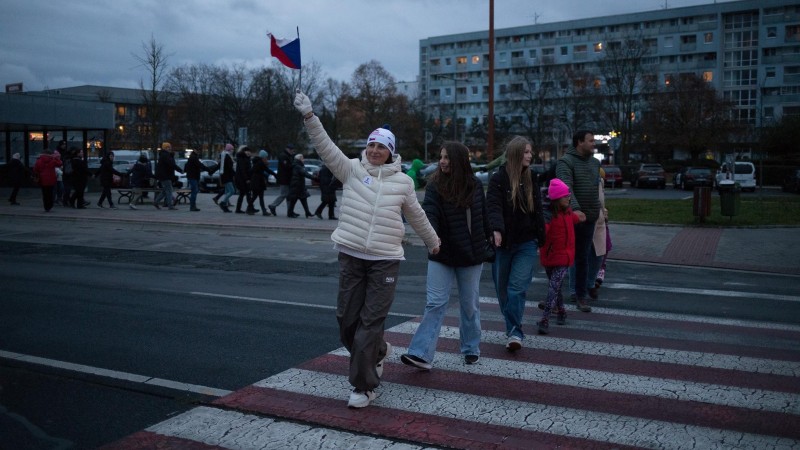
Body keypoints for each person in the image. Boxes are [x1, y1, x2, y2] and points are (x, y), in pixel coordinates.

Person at [294, 90, 440, 409]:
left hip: (385, 262)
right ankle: (380, 351)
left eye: (381, 146)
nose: (375, 150)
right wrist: (309, 116)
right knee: (347, 323)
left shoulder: (402, 182)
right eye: (371, 145)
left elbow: (417, 215)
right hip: (351, 257)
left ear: (390, 152)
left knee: (369, 326)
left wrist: (433, 240)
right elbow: (325, 146)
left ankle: (364, 386)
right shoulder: (351, 170)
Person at [401, 142, 491, 370]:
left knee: (469, 304)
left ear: (459, 161)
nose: (442, 162)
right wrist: (432, 239)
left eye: (447, 158)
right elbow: (429, 212)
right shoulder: (435, 185)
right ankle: (421, 354)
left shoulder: (474, 186)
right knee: (435, 303)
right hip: (441, 252)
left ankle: (471, 348)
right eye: (441, 157)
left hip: (470, 255)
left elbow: (483, 218)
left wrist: (493, 236)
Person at [486, 135, 546, 351]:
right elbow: (492, 207)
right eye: (527, 152)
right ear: (516, 154)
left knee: (516, 289)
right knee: (503, 292)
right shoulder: (498, 179)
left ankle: (515, 332)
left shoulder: (532, 178)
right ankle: (512, 326)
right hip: (503, 244)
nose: (530, 156)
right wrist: (497, 230)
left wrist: (542, 236)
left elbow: (538, 210)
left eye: (531, 152)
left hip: (527, 243)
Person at [556, 130, 601, 313]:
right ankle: (554, 297)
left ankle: (580, 295)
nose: (593, 144)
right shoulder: (565, 162)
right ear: (579, 142)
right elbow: (566, 188)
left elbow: (596, 189)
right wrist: (575, 209)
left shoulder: (595, 163)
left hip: (589, 217)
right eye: (590, 141)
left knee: (582, 258)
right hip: (569, 219)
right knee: (562, 258)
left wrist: (600, 208)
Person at [537, 179, 584, 335]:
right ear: (557, 198)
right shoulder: (549, 216)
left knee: (553, 287)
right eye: (566, 196)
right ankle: (562, 311)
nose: (569, 198)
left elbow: (576, 219)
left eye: (569, 195)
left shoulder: (568, 211)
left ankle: (545, 319)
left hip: (564, 257)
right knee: (555, 287)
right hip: (550, 256)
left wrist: (584, 216)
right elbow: (542, 231)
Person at [267, 144, 296, 216]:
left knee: (288, 195)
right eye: (291, 149)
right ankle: (273, 205)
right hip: (284, 178)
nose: (292, 151)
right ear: (287, 149)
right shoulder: (283, 156)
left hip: (287, 178)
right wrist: (294, 165)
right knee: (284, 194)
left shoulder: (287, 156)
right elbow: (286, 166)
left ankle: (290, 210)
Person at [154, 142, 182, 210]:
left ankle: (156, 202)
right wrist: (180, 170)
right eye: (167, 147)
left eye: (169, 147)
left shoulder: (165, 155)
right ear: (164, 148)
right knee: (169, 190)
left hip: (164, 175)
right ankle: (170, 206)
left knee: (165, 190)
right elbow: (171, 164)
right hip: (165, 175)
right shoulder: (165, 155)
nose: (169, 148)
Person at [287, 153, 314, 218]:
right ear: (299, 159)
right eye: (302, 158)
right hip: (297, 186)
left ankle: (307, 212)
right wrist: (313, 177)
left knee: (303, 199)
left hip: (298, 185)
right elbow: (304, 173)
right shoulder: (298, 166)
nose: (303, 160)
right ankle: (290, 213)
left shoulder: (297, 165)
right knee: (294, 200)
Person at [251, 150, 278, 216]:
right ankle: (251, 208)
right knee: (256, 196)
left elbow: (262, 171)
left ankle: (263, 211)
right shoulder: (260, 162)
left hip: (257, 181)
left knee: (259, 197)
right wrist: (275, 174)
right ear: (263, 157)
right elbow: (267, 170)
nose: (266, 158)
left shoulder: (257, 162)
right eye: (266, 156)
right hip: (258, 182)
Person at [234, 146, 255, 214]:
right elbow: (243, 170)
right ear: (244, 152)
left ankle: (239, 209)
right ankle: (250, 209)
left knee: (243, 194)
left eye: (249, 151)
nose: (249, 153)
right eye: (247, 151)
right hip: (242, 179)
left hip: (243, 179)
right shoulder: (242, 158)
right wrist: (247, 179)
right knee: (247, 194)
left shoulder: (246, 158)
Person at [214, 144, 235, 212]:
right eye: (232, 149)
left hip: (225, 176)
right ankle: (223, 203)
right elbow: (229, 167)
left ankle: (225, 207)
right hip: (227, 176)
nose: (233, 150)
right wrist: (235, 174)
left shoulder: (225, 156)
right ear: (229, 149)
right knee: (232, 191)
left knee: (227, 191)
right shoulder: (227, 156)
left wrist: (211, 171)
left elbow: (219, 165)